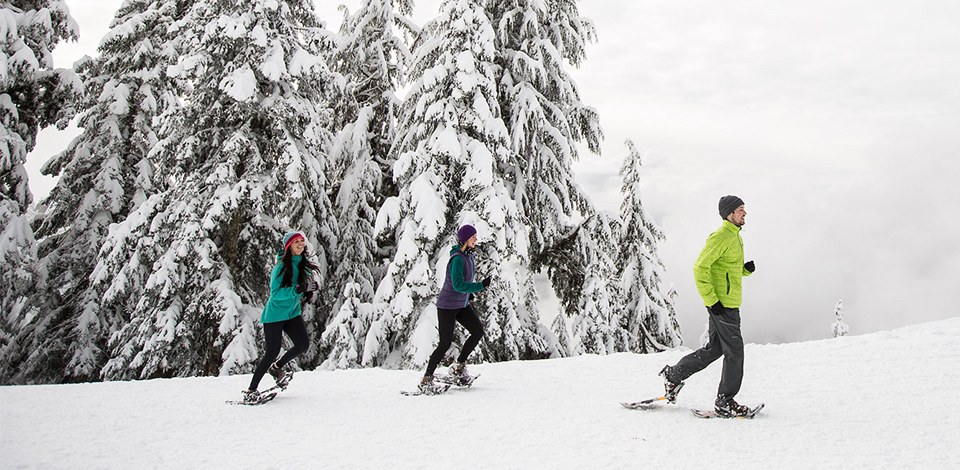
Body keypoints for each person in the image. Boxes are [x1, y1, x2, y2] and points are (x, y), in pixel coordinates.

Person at [658, 195, 757, 417]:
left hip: (726, 303)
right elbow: (700, 268)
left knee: (715, 349)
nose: (744, 213)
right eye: (741, 209)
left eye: (744, 209)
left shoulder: (734, 236)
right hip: (722, 306)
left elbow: (725, 268)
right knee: (735, 352)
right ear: (730, 213)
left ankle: (673, 376)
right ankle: (725, 401)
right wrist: (713, 302)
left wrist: (744, 270)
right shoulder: (721, 236)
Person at [241, 232, 319, 404]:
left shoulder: (303, 265)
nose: (300, 244)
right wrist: (298, 289)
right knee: (271, 352)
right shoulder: (280, 268)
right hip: (274, 315)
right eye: (296, 242)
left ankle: (276, 368)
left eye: (301, 241)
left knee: (302, 345)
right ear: (288, 246)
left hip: (292, 314)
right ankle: (251, 390)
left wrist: (308, 292)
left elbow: (299, 287)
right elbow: (275, 294)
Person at [418, 224, 491, 394]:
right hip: (447, 307)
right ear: (466, 239)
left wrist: (468, 295)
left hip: (461, 305)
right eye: (473, 237)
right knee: (445, 343)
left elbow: (460, 283)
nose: (476, 240)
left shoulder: (468, 256)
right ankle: (426, 379)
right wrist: (479, 286)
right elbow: (458, 284)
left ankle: (459, 367)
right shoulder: (458, 258)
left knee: (477, 331)